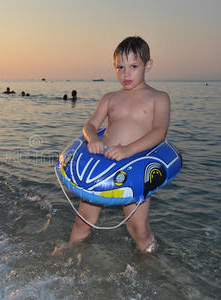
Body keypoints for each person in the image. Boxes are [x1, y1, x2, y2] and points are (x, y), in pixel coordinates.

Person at [54, 36, 170, 255]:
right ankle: (70, 252)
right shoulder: (110, 98)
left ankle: (150, 263)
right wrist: (94, 139)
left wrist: (128, 150)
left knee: (137, 229)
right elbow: (90, 125)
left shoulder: (159, 98)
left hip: (133, 169)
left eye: (133, 66)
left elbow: (159, 132)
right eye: (120, 67)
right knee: (83, 221)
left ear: (148, 65)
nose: (125, 74)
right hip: (102, 167)